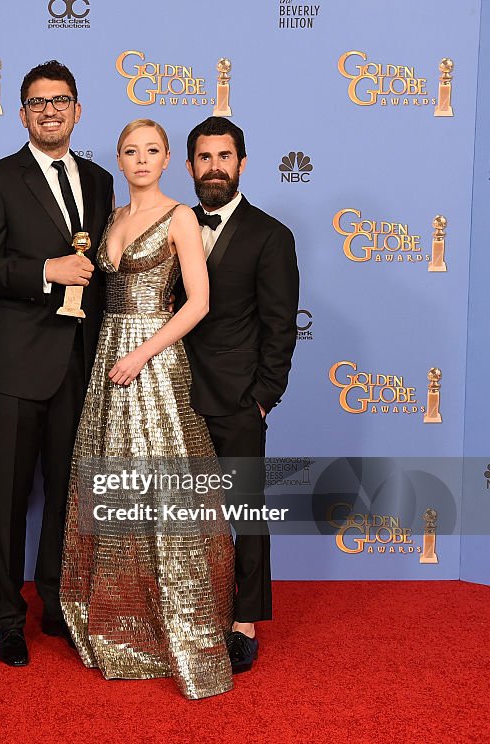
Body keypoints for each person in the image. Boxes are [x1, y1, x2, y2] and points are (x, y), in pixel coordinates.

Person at [59, 119, 234, 699]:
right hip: (108, 355)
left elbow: (199, 302)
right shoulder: (110, 217)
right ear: (118, 157)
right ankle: (118, 625)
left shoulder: (180, 216)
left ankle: (179, 630)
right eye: (130, 151)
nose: (140, 160)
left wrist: (142, 353)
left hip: (153, 360)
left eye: (152, 151)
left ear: (168, 162)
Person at [0, 60, 113, 667]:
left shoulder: (103, 180)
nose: (49, 110)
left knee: (65, 494)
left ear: (77, 109)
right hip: (13, 364)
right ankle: (6, 615)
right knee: (7, 496)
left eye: (60, 100)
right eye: (37, 102)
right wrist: (44, 272)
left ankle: (54, 602)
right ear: (23, 113)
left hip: (80, 363)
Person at [181, 116, 299, 673]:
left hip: (237, 399)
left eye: (224, 157)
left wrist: (262, 397)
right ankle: (184, 611)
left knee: (245, 511)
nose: (214, 168)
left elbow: (280, 326)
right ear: (189, 166)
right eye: (204, 158)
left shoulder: (270, 235)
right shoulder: (172, 223)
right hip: (175, 391)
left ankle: (244, 619)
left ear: (242, 164)